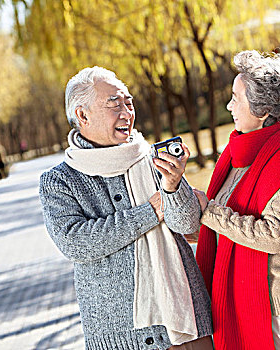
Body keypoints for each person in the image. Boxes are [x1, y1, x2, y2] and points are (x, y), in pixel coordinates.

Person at [39, 66, 213, 350]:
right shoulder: (59, 181)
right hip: (123, 338)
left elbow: (189, 226)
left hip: (187, 325)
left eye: (128, 102)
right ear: (82, 115)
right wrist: (149, 213)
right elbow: (76, 243)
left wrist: (173, 186)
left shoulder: (153, 160)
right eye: (113, 104)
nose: (126, 112)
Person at [192, 50, 280, 349]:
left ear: (263, 108)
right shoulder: (238, 158)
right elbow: (216, 225)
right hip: (246, 303)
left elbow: (271, 237)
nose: (229, 106)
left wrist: (209, 212)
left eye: (236, 98)